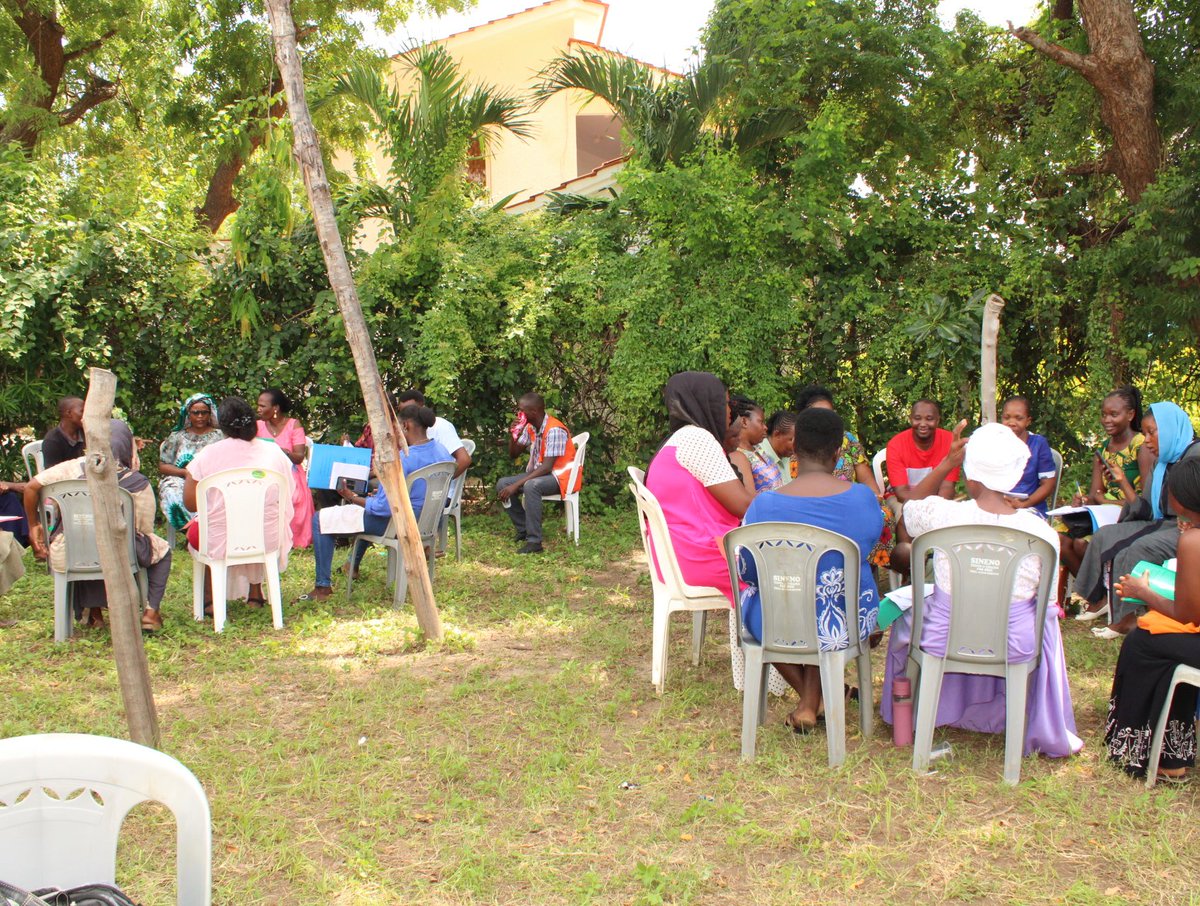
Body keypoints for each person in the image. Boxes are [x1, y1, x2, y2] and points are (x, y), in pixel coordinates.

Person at [880, 422, 1082, 758]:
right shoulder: (1041, 532)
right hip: (1014, 640)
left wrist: (945, 464)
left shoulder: (943, 515)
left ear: (969, 475)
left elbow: (908, 512)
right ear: (1016, 475)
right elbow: (1046, 607)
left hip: (945, 634)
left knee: (907, 616)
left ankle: (919, 711)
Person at [736, 407, 884, 731]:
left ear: (795, 448)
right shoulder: (863, 499)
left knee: (757, 604)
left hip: (776, 620)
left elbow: (746, 570)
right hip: (844, 620)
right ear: (837, 453)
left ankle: (809, 702)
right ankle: (816, 699)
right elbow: (869, 547)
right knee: (827, 595)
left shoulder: (764, 504)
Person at [643, 372, 787, 696]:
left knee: (771, 561)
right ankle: (788, 676)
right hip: (698, 555)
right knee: (777, 568)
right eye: (724, 404)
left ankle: (790, 677)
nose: (729, 412)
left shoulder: (680, 439)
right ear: (704, 403)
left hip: (681, 553)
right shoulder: (698, 440)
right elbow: (743, 505)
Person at [23, 420, 173, 632]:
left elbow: (31, 487)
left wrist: (34, 525)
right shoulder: (137, 482)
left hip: (70, 551)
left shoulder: (71, 469)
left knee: (82, 535)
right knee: (158, 548)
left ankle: (93, 613)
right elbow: (143, 528)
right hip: (122, 554)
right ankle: (150, 611)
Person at [1105, 458, 1200, 780]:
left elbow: (1187, 614)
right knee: (1164, 642)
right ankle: (1173, 755)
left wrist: (1143, 592)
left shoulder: (1192, 540)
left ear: (1182, 498)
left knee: (1142, 643)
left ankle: (1140, 750)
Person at [1075, 402, 1200, 638]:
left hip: (1190, 528)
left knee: (1139, 548)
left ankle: (1127, 618)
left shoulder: (1196, 456)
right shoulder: (1160, 463)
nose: (1147, 441)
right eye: (1145, 434)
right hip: (1162, 522)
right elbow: (1147, 509)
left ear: (1170, 429)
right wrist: (1123, 482)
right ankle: (1098, 599)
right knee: (1105, 534)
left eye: (1152, 432)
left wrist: (1189, 519)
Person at [302, 405, 451, 600]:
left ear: (405, 426)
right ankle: (350, 566)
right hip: (425, 523)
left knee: (320, 519)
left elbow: (382, 508)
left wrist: (352, 497)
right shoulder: (441, 450)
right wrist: (379, 495)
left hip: (397, 524)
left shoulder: (403, 458)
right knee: (363, 508)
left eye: (395, 427)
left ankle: (322, 587)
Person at [186, 396, 295, 610]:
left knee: (205, 526)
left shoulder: (208, 454)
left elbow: (190, 503)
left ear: (222, 424)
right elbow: (287, 492)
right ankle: (255, 593)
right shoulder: (274, 452)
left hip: (219, 540)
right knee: (256, 520)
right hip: (267, 537)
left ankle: (210, 599)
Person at [796, 385, 895, 571]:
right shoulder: (797, 441)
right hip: (812, 506)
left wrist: (872, 499)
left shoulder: (847, 440)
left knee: (881, 513)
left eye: (830, 413)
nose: (825, 420)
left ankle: (866, 568)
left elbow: (868, 483)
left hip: (849, 502)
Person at [1062, 387, 1153, 584]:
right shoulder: (1103, 449)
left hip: (1130, 516)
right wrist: (1083, 500)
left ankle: (1101, 592)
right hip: (1104, 516)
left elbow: (1146, 501)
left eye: (1114, 414)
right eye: (1104, 415)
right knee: (1060, 539)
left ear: (1130, 415)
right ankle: (1095, 593)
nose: (1107, 420)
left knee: (1081, 544)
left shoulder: (1141, 446)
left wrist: (1104, 500)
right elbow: (1096, 493)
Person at [496, 393, 579, 554]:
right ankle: (524, 529)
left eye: (522, 411)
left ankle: (535, 542)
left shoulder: (554, 430)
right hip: (541, 475)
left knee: (531, 485)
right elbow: (513, 454)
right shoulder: (531, 427)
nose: (519, 414)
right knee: (503, 484)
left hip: (560, 478)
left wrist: (516, 485)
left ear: (533, 412)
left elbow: (547, 467)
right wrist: (513, 434)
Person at [256, 388, 314, 549]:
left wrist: (280, 451)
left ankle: (296, 540)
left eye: (262, 406)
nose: (258, 409)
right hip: (264, 473)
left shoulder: (293, 424)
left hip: (290, 471)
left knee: (294, 495)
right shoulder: (257, 426)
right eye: (258, 405)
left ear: (275, 408)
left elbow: (299, 457)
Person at [158, 393, 224, 531]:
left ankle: (209, 530)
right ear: (188, 414)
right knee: (171, 489)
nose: (200, 416)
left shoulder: (220, 436)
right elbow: (163, 465)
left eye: (204, 413)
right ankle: (189, 530)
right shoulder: (177, 437)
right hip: (182, 479)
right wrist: (185, 473)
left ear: (210, 413)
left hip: (212, 480)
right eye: (195, 413)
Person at [999, 396, 1057, 517]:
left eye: (1019, 418)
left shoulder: (1038, 444)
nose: (1011, 423)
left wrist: (1024, 504)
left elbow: (1048, 484)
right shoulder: (993, 443)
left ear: (1028, 421)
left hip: (1030, 508)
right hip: (998, 505)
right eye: (1006, 417)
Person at [397, 389, 472, 479]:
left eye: (410, 409)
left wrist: (443, 482)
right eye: (402, 411)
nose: (406, 414)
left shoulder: (441, 427)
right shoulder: (440, 448)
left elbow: (464, 459)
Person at [728, 395, 782, 494]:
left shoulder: (757, 449)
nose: (765, 427)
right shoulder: (738, 456)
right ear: (744, 422)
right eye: (761, 422)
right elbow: (750, 498)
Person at [41, 397, 85, 468]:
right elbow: (52, 472)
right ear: (69, 413)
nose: (86, 414)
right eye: (82, 411)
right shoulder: (52, 441)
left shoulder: (85, 433)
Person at [756, 411, 796, 485]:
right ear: (777, 434)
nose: (796, 446)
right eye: (791, 440)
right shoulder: (757, 457)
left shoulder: (788, 457)